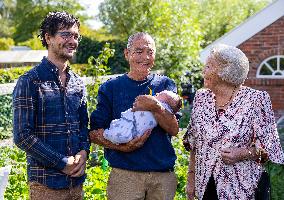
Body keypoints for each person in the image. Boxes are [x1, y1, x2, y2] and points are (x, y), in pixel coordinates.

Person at [185, 44, 284, 200]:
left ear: (225, 73)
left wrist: (243, 153)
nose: (203, 71)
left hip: (242, 189)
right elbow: (194, 143)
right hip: (205, 185)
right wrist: (191, 179)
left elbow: (270, 149)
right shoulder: (201, 97)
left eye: (209, 66)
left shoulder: (256, 100)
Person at [89, 32, 180, 200]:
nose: (145, 57)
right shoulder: (110, 88)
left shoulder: (165, 85)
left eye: (150, 52)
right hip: (125, 177)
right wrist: (124, 147)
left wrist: (156, 106)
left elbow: (174, 130)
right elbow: (94, 133)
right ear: (127, 54)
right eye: (139, 51)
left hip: (162, 177)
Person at [13, 11, 90, 200]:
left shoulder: (78, 83)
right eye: (66, 34)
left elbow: (82, 127)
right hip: (46, 186)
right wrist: (62, 162)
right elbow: (22, 136)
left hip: (77, 185)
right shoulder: (30, 81)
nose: (72, 41)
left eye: (75, 36)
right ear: (48, 37)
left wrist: (83, 152)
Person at [104, 90, 182, 144]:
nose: (157, 93)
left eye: (160, 94)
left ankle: (111, 133)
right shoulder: (111, 86)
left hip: (133, 129)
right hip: (122, 162)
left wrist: (156, 106)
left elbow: (174, 130)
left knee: (123, 132)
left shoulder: (164, 107)